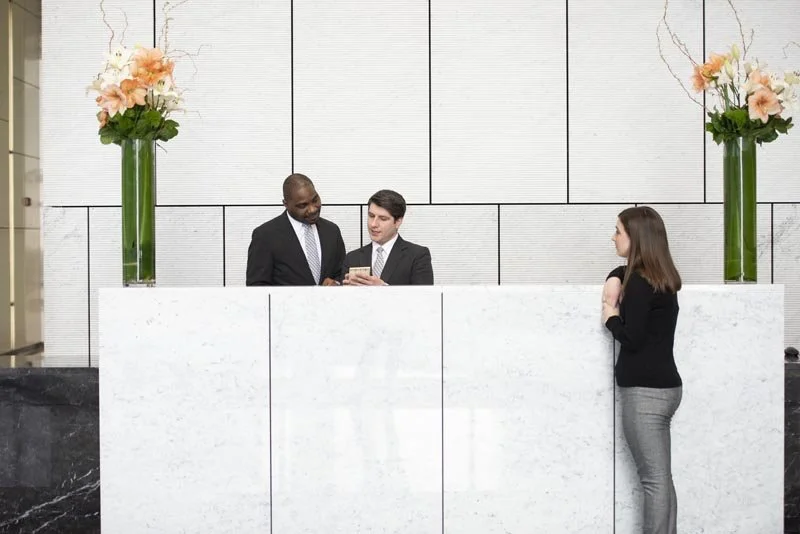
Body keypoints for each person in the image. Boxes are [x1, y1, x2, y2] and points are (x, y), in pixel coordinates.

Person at [602, 206, 683, 534]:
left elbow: (632, 338)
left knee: (653, 482)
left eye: (618, 231)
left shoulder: (639, 283)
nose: (613, 237)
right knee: (662, 480)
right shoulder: (659, 278)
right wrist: (616, 274)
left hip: (645, 395)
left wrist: (610, 318)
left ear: (636, 237)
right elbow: (628, 275)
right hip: (666, 389)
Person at [246, 173, 345, 286]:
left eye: (315, 200)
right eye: (303, 206)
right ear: (286, 204)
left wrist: (336, 284)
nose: (312, 209)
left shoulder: (332, 231)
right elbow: (257, 287)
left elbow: (341, 273)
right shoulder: (265, 236)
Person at [342, 189, 433, 286]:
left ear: (398, 222)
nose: (373, 224)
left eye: (383, 219)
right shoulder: (352, 258)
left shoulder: (417, 256)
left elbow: (424, 297)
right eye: (371, 216)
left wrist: (383, 288)